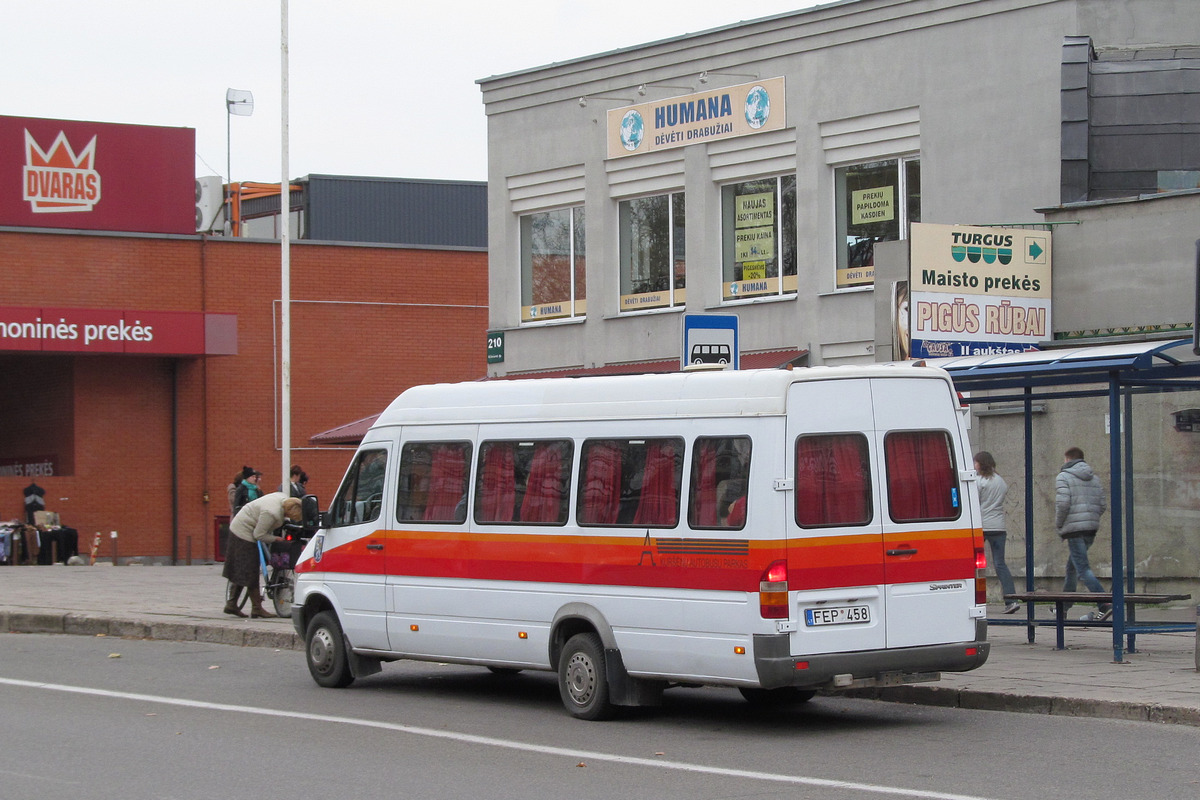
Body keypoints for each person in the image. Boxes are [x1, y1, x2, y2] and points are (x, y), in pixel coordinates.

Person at [222, 492, 302, 618]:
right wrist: (276, 539)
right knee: (251, 569)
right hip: (242, 532)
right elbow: (258, 535)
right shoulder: (271, 513)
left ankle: (231, 604)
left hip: (246, 526)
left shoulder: (284, 498)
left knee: (243, 569)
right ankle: (256, 608)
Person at [1055, 446, 1111, 621]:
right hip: (1090, 529)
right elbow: (1102, 505)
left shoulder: (1063, 477)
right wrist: (1091, 519)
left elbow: (1063, 504)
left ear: (1068, 460)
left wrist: (1059, 524)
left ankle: (1105, 603)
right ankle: (1063, 608)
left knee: (1082, 569)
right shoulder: (1094, 478)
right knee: (1072, 568)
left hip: (1074, 530)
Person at [975, 451, 1018, 613]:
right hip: (999, 527)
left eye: (976, 462)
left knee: (973, 563)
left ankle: (973, 598)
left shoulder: (979, 481)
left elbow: (975, 502)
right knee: (1000, 564)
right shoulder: (1000, 481)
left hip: (982, 526)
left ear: (981, 463)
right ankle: (1011, 599)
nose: (974, 466)